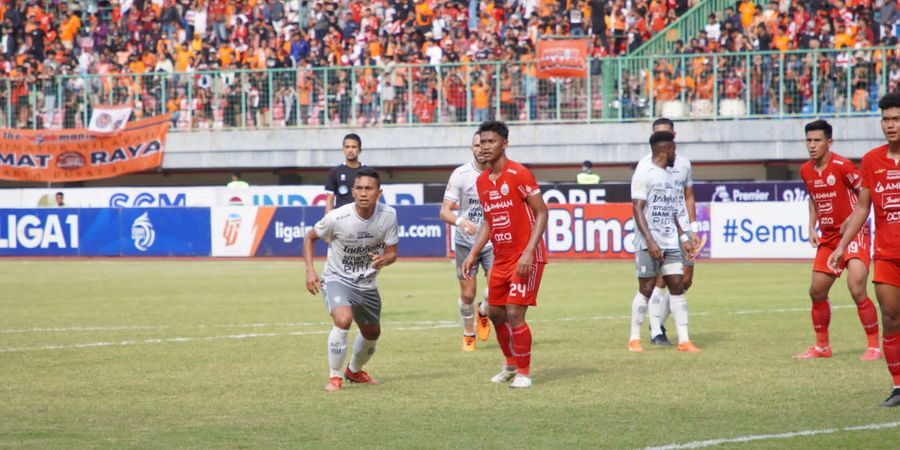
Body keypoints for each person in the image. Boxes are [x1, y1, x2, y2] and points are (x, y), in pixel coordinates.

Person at [462, 121, 548, 389]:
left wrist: (529, 252)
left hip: (526, 257)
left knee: (514, 312)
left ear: (504, 144)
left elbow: (542, 212)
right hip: (500, 257)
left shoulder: (519, 173)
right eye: (482, 142)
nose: (485, 147)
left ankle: (524, 372)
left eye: (491, 142)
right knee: (497, 314)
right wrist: (473, 253)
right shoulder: (481, 181)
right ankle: (510, 365)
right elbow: (489, 221)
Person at [829, 93, 900, 407]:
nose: (890, 125)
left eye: (896, 119)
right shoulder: (871, 160)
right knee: (891, 317)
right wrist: (841, 246)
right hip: (886, 254)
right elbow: (861, 208)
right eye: (886, 119)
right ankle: (899, 387)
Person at [304, 168, 399, 392]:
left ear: (379, 192)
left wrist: (384, 259)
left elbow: (393, 253)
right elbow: (310, 238)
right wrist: (310, 271)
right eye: (359, 188)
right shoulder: (338, 217)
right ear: (353, 191)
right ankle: (334, 377)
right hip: (337, 278)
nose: (363, 193)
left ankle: (354, 371)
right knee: (343, 319)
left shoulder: (389, 215)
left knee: (372, 333)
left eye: (369, 188)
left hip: (367, 284)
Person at [797, 119, 881, 361]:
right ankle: (822, 347)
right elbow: (813, 198)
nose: (812, 145)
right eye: (809, 141)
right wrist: (811, 225)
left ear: (829, 142)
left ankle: (874, 346)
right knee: (816, 291)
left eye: (817, 140)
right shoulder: (805, 170)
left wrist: (851, 221)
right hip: (829, 237)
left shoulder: (843, 166)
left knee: (856, 287)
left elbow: (864, 196)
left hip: (854, 233)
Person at [629, 130, 700, 353]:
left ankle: (684, 340)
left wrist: (684, 237)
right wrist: (649, 241)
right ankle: (634, 339)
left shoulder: (671, 176)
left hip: (671, 242)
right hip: (649, 242)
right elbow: (637, 209)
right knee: (647, 288)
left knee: (677, 286)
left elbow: (676, 210)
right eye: (674, 150)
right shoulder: (644, 173)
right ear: (666, 149)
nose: (675, 155)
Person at [439, 131, 493, 351]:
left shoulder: (499, 173)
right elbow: (444, 212)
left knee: (498, 290)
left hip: (492, 242)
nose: (481, 149)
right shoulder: (460, 174)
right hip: (465, 242)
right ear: (472, 148)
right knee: (468, 294)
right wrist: (461, 221)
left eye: (485, 144)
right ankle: (468, 333)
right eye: (477, 145)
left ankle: (484, 310)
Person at [325, 133, 365, 214]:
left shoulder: (367, 171)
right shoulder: (335, 171)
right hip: (341, 218)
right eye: (347, 147)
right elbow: (330, 199)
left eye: (354, 147)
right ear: (343, 149)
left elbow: (374, 198)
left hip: (362, 218)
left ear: (360, 150)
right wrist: (327, 220)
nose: (350, 150)